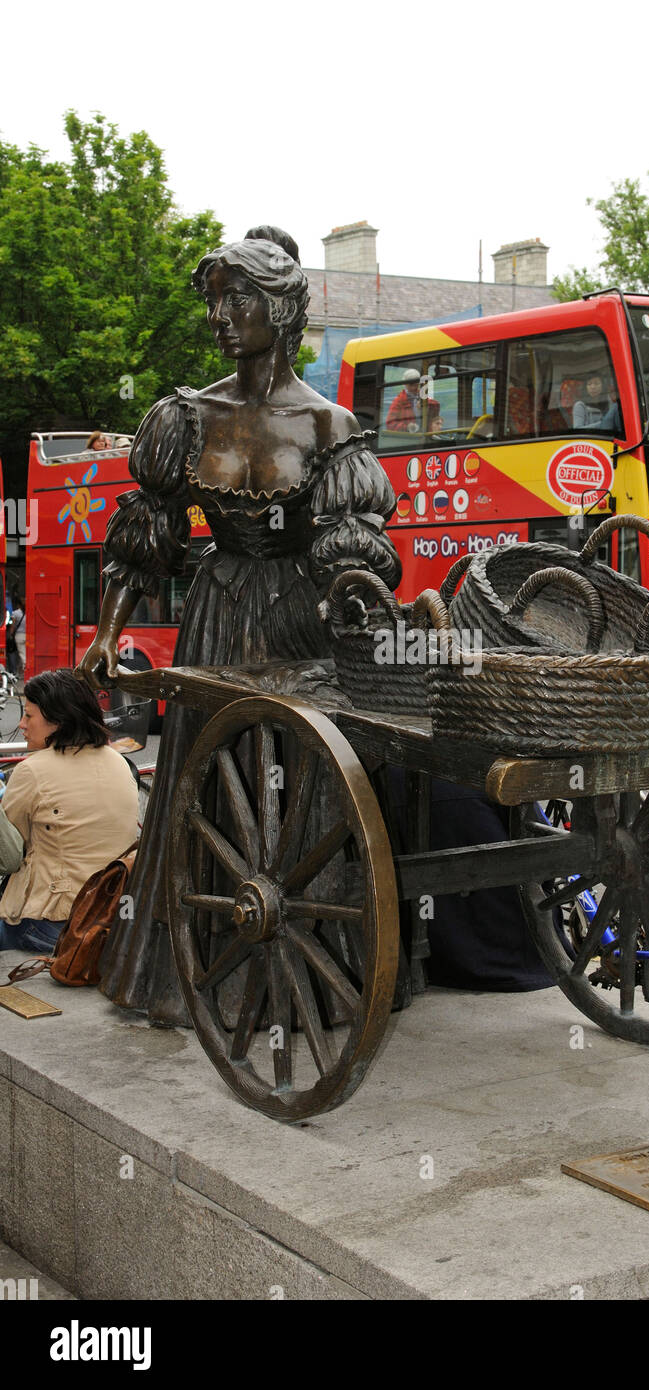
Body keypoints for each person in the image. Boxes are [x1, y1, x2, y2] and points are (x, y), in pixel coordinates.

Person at [77, 225, 401, 1023]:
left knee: (307, 789)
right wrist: (106, 631)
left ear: (285, 311)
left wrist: (359, 608)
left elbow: (352, 557)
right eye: (216, 299)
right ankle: (203, 972)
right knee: (208, 788)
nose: (222, 314)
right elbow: (144, 536)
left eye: (241, 297)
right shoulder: (185, 417)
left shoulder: (331, 428)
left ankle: (314, 979)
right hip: (218, 619)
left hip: (301, 623)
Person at [0, 669, 139, 955]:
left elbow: (8, 855)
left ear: (58, 721)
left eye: (29, 716)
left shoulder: (33, 771)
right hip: (112, 916)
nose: (22, 724)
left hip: (51, 924)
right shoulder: (118, 762)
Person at [385, 368, 441, 433]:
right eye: (411, 385)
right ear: (405, 384)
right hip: (409, 438)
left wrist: (425, 404)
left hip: (425, 435)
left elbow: (436, 406)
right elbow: (390, 424)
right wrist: (407, 427)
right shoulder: (399, 401)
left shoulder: (422, 396)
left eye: (416, 384)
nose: (414, 387)